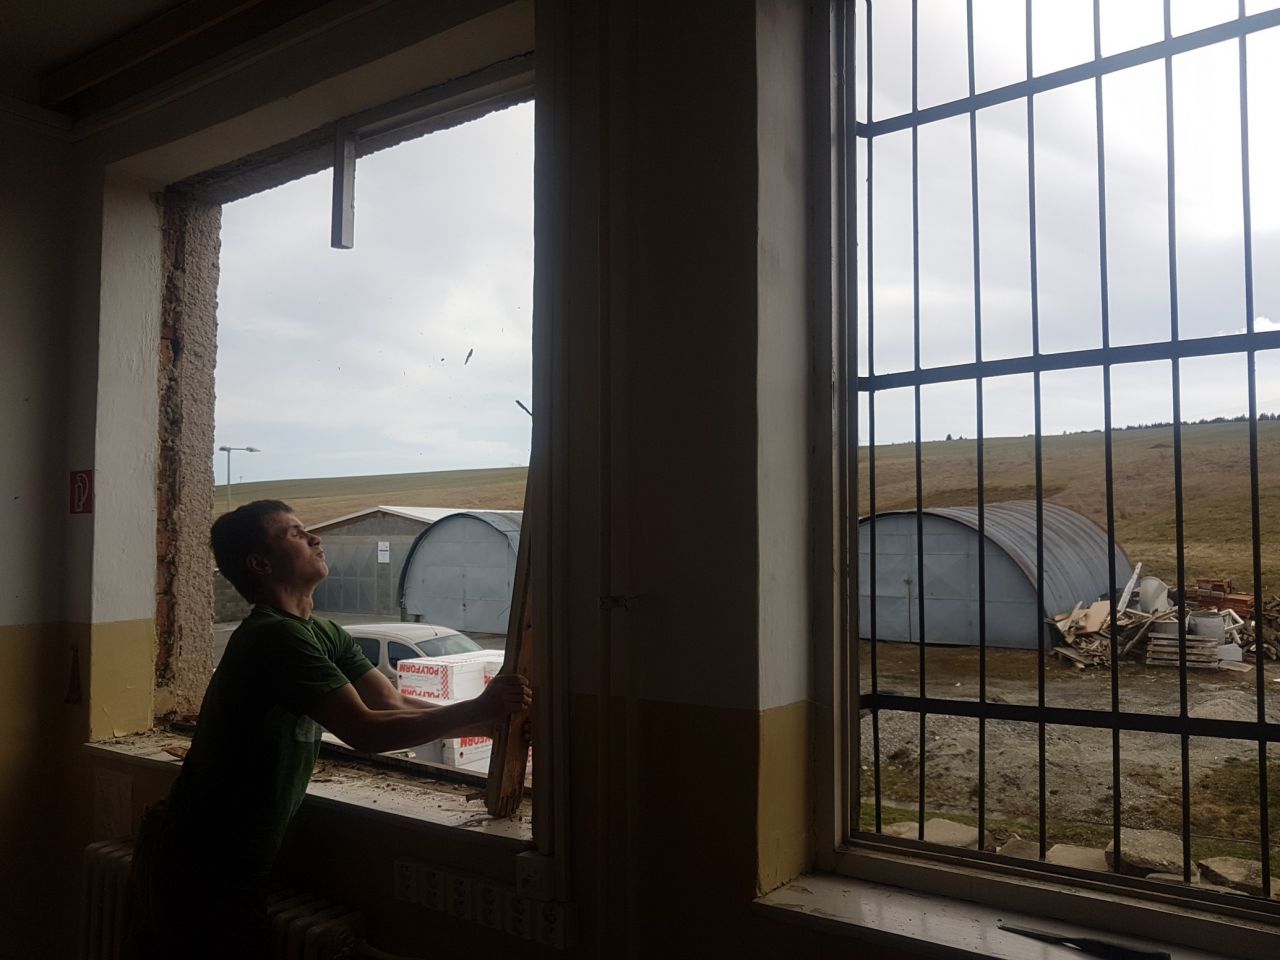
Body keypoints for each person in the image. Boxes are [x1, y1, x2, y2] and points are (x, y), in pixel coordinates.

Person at [128, 500, 531, 959]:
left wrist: (485, 722)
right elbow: (365, 730)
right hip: (201, 863)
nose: (315, 538)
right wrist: (477, 709)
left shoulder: (322, 633)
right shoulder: (274, 636)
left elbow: (392, 703)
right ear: (260, 563)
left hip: (235, 860)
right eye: (294, 534)